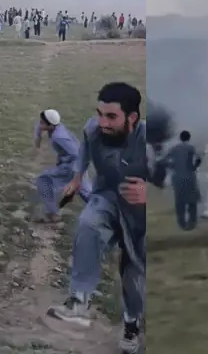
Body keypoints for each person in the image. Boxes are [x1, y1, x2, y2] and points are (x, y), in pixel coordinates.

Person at [46, 82, 148, 354]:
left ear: (132, 118)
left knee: (133, 271)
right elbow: (85, 152)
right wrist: (78, 178)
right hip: (107, 197)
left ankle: (131, 326)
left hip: (140, 213)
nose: (102, 122)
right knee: (88, 225)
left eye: (111, 117)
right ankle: (79, 299)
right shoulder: (93, 129)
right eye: (100, 114)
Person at [33, 109, 92, 223]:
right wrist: (38, 136)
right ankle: (109, 211)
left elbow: (76, 153)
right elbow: (39, 128)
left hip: (72, 166)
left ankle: (53, 214)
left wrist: (76, 175)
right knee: (87, 193)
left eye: (42, 123)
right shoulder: (56, 126)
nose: (39, 124)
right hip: (74, 165)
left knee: (43, 180)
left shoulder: (59, 137)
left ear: (50, 125)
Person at [165, 130, 201, 231]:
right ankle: (192, 222)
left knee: (180, 201)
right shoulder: (191, 148)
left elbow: (164, 161)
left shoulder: (174, 148)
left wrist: (173, 166)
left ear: (180, 138)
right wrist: (194, 167)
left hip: (177, 178)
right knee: (192, 201)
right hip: (189, 176)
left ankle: (182, 223)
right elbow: (198, 159)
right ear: (189, 138)